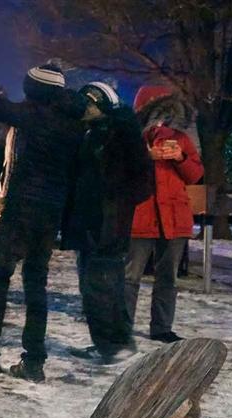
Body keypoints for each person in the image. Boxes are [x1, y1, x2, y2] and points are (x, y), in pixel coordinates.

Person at [0, 63, 88, 382]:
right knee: (35, 284)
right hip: (50, 212)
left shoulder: (34, 114)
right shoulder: (73, 122)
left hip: (21, 208)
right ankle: (34, 361)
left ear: (35, 89)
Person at [64, 82, 155, 363]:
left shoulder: (120, 134)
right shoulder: (91, 133)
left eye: (88, 104)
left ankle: (115, 345)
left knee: (102, 286)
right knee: (96, 286)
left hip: (107, 225)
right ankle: (108, 342)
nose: (82, 109)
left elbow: (143, 181)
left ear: (100, 104)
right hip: (90, 223)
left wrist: (114, 204)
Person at [127, 89, 204, 346]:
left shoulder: (180, 139)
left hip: (173, 216)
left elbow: (194, 175)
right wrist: (146, 157)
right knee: (130, 275)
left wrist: (180, 157)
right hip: (141, 215)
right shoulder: (133, 139)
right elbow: (119, 170)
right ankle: (123, 326)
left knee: (168, 276)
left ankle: (162, 328)